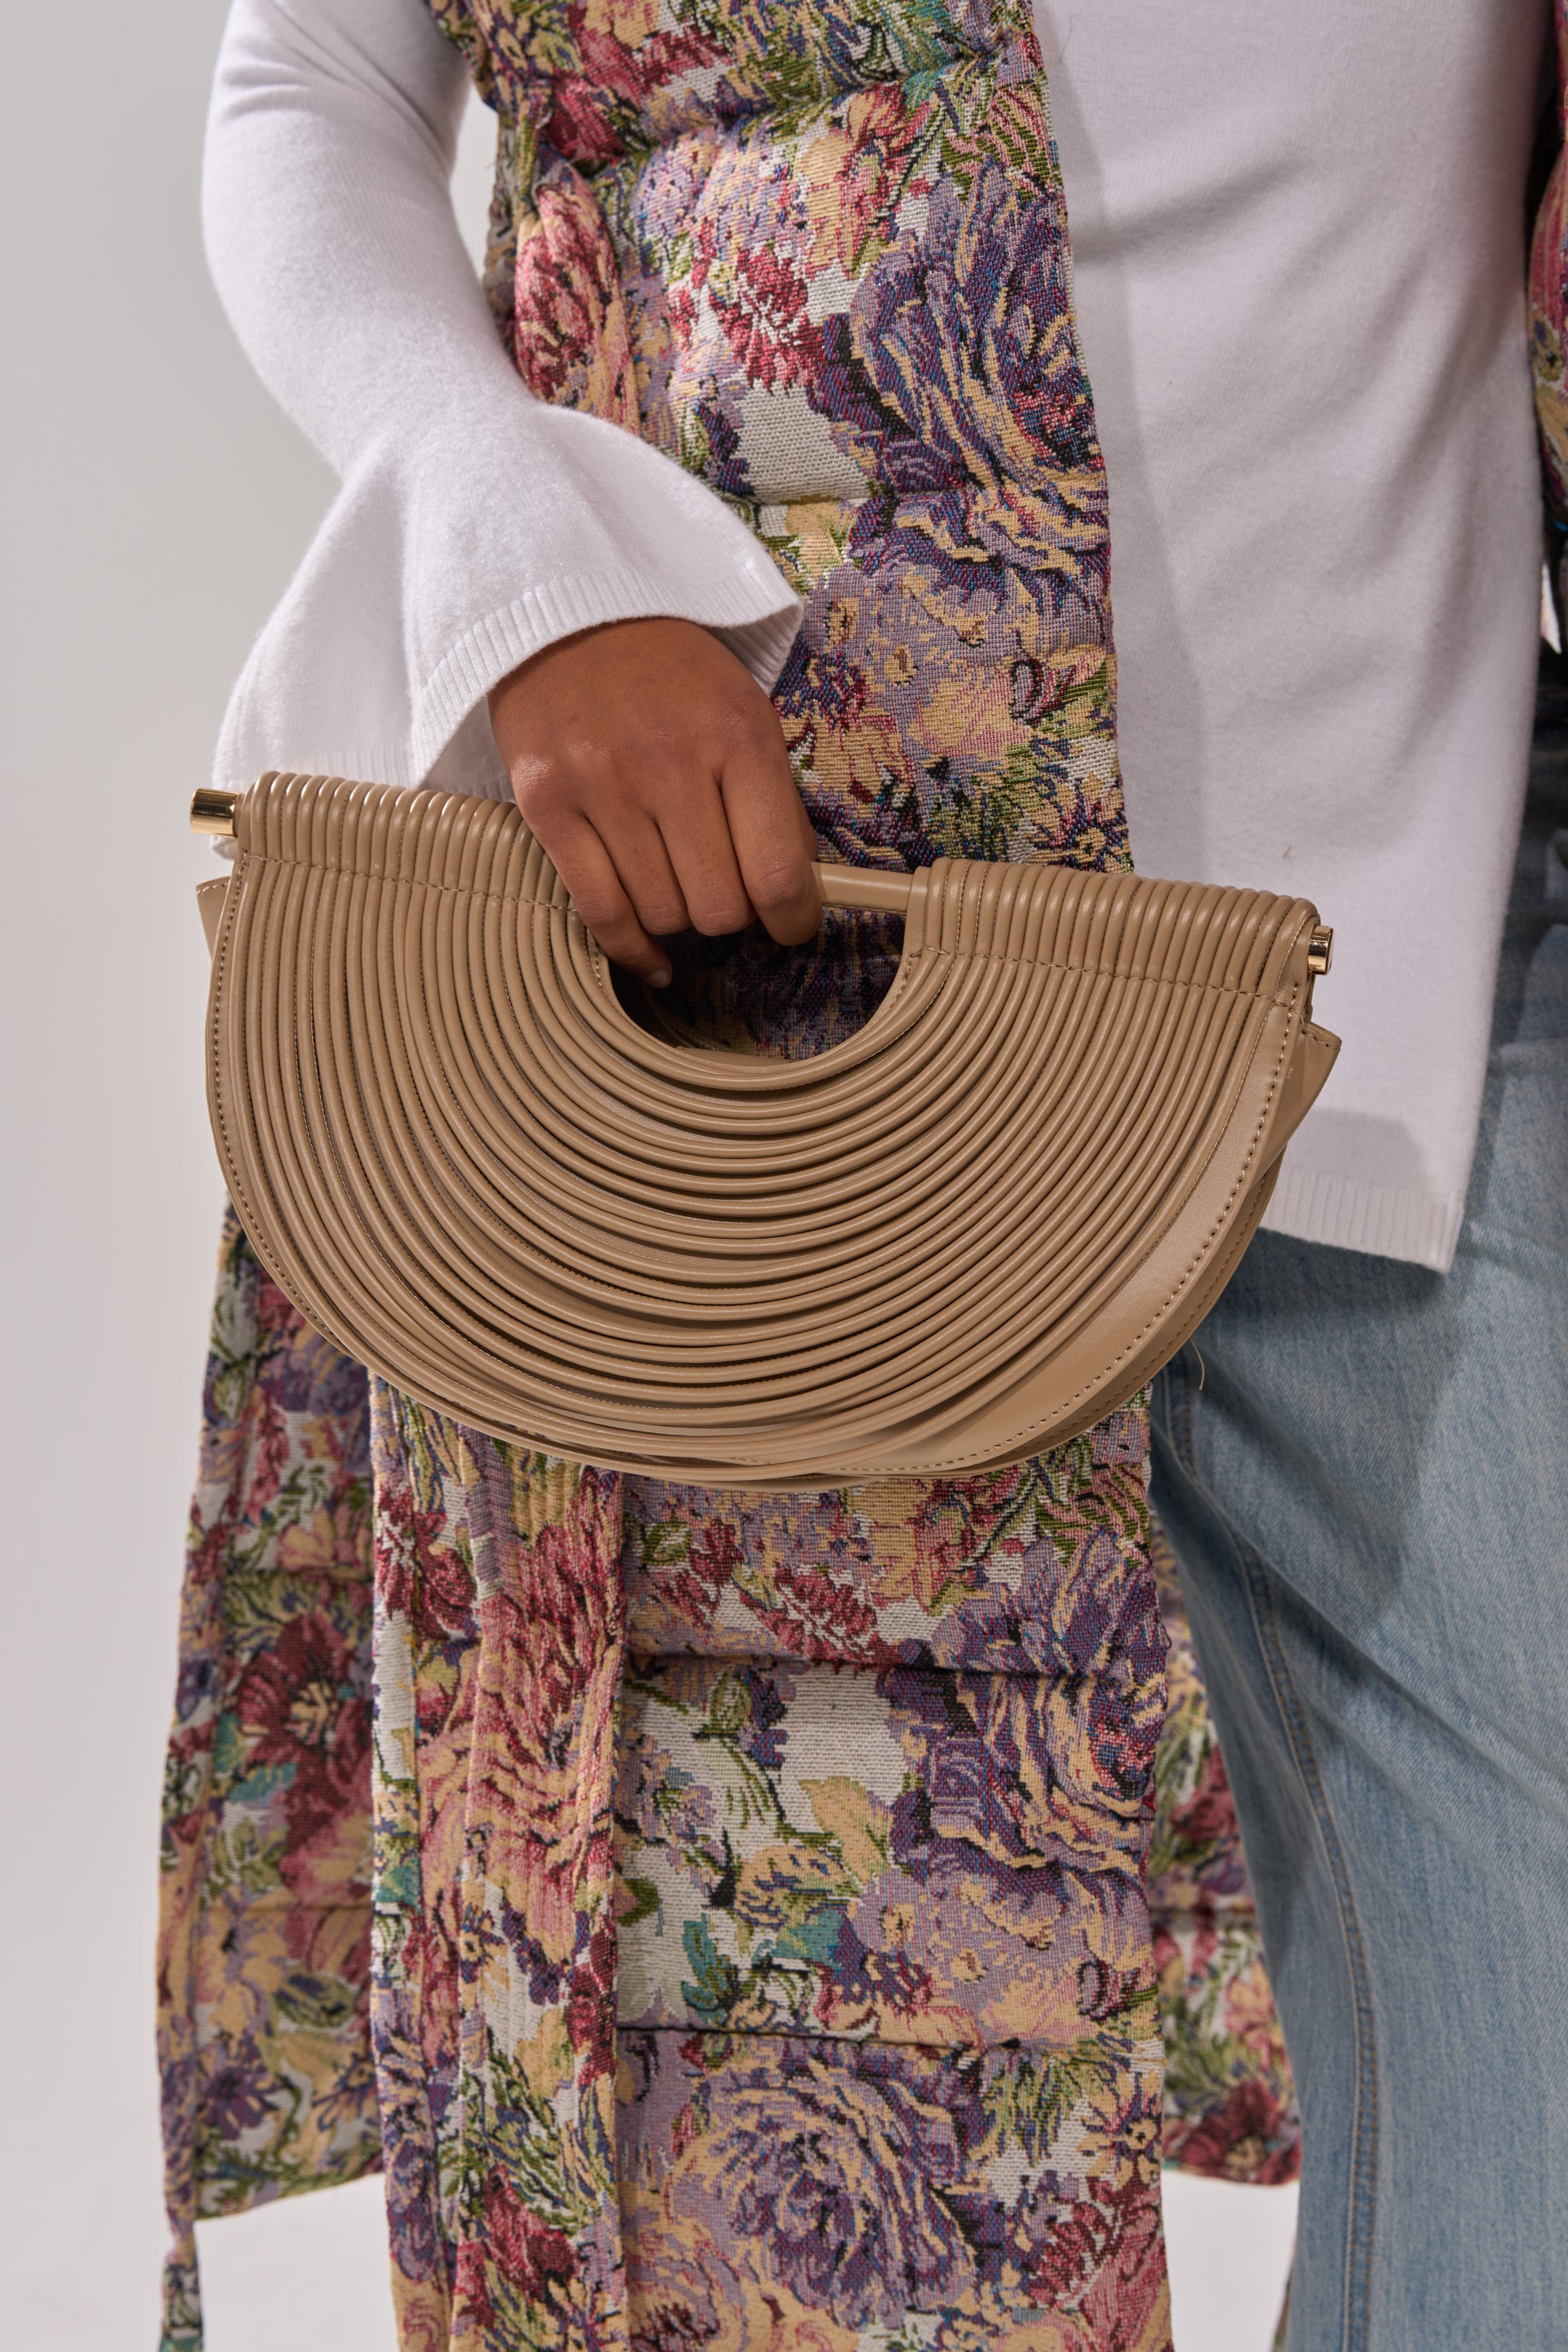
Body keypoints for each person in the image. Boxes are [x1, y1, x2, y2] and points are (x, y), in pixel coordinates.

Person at [158, 0, 1568, 2345]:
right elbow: (312, 75)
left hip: (1409, 968)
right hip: (772, 1020)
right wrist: (506, 530)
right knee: (796, 2178)